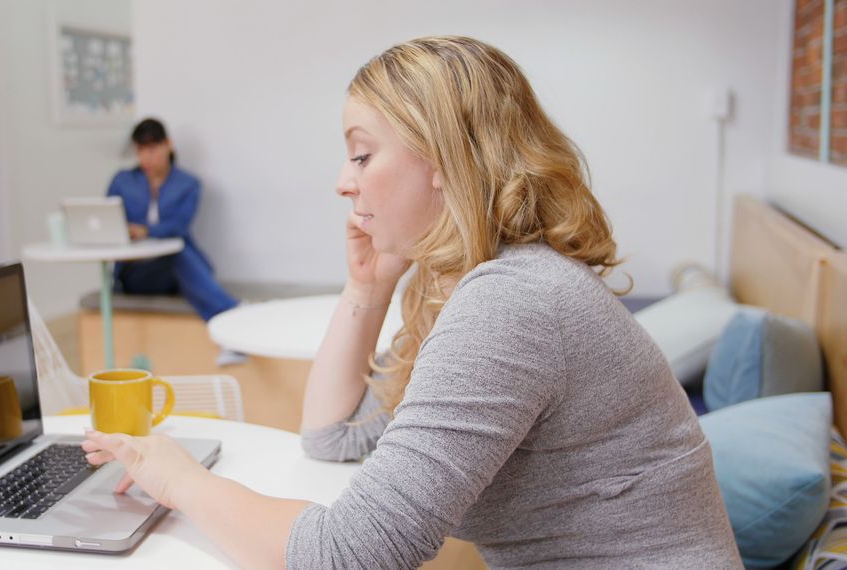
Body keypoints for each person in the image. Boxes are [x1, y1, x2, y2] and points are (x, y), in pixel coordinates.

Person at [82, 36, 743, 569]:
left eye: (362, 155)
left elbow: (348, 554)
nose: (343, 182)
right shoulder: (481, 283)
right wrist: (369, 287)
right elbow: (332, 435)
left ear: (443, 159)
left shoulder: (510, 302)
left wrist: (173, 477)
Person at [107, 119, 244, 366]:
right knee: (178, 254)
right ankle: (233, 319)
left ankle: (232, 326)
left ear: (168, 145)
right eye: (140, 151)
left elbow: (178, 226)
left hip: (171, 272)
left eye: (152, 149)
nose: (145, 158)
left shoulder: (188, 184)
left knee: (176, 252)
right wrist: (125, 231)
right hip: (135, 273)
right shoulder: (122, 181)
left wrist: (144, 230)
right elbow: (106, 219)